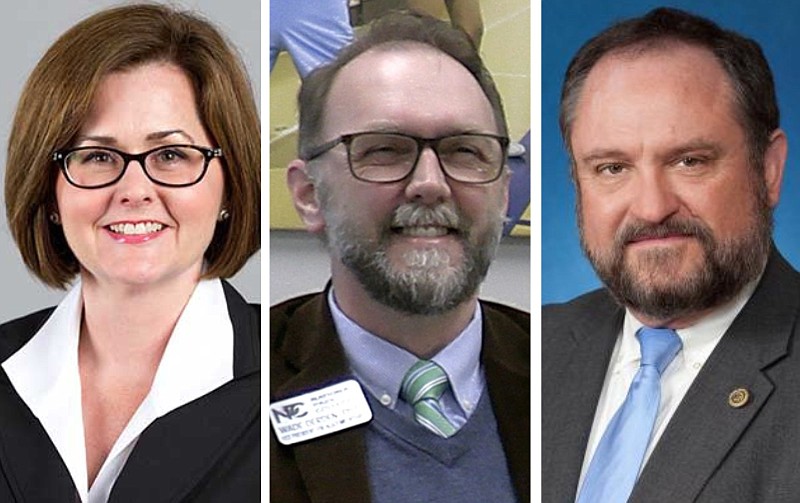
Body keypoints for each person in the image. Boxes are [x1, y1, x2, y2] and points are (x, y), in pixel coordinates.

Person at [0, 4, 260, 502]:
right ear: (49, 192)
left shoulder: (292, 375)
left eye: (171, 155)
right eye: (98, 156)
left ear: (228, 189)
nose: (134, 189)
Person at [543, 7, 800, 502]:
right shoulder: (537, 348)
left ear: (768, 169)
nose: (652, 207)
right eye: (612, 168)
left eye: (689, 161)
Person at [270, 12, 529, 503]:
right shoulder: (235, 384)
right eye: (384, 150)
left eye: (464, 151)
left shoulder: (574, 378)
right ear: (308, 194)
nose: (430, 183)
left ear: (502, 193)